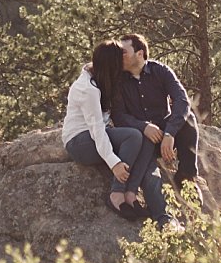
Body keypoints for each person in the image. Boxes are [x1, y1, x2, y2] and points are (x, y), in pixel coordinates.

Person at [62, 40, 165, 222]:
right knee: (133, 136)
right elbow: (97, 130)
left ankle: (131, 194)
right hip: (80, 142)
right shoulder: (88, 89)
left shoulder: (104, 80)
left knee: (146, 137)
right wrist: (114, 163)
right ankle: (117, 194)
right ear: (112, 66)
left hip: (99, 136)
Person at [112, 32, 199, 188]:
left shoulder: (160, 71)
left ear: (140, 54)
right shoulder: (118, 80)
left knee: (190, 120)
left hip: (164, 134)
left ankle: (187, 178)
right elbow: (118, 115)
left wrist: (170, 132)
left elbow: (182, 100)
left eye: (124, 52)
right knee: (149, 176)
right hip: (139, 138)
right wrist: (143, 126)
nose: (119, 57)